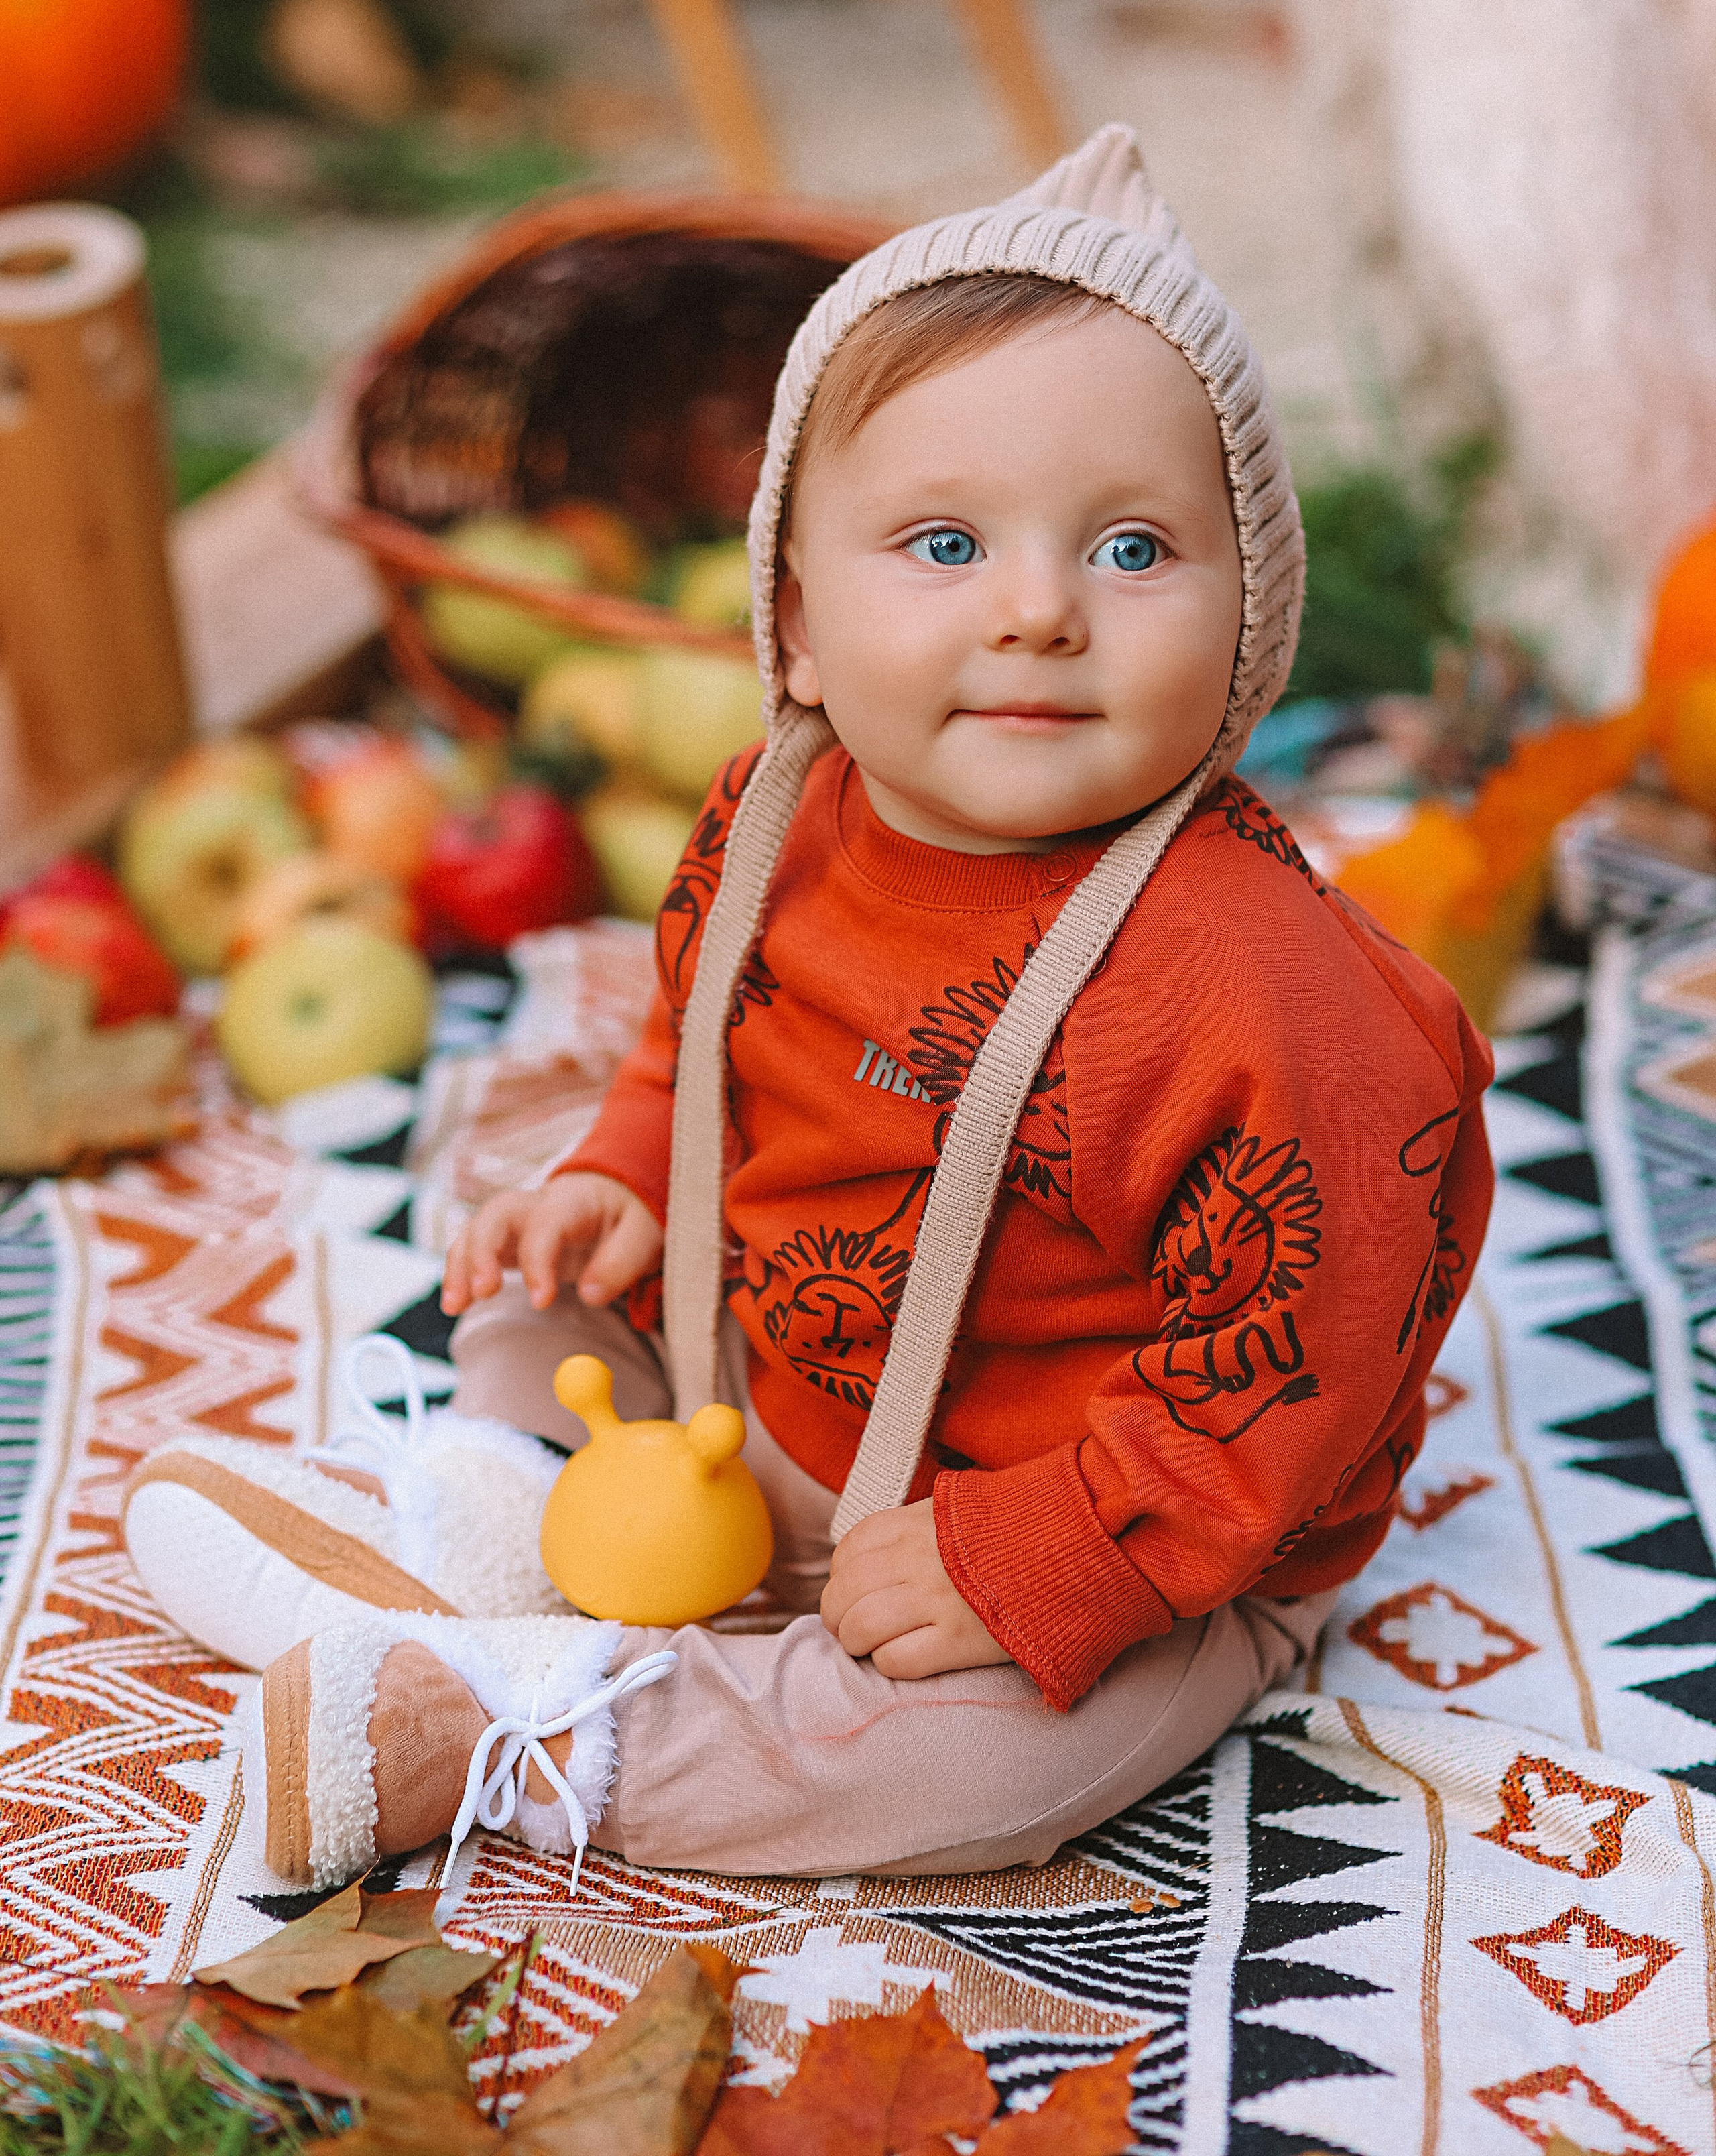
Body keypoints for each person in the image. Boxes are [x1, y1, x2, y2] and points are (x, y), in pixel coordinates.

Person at [123, 126, 1492, 1891]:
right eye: (942, 541)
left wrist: (1052, 1546)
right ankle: (484, 1503)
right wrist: (620, 1175)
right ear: (793, 619)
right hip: (761, 1383)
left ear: (1251, 626)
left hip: (1113, 1507)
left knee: (996, 1777)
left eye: (1137, 551)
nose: (1036, 611)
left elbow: (1295, 1362)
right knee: (536, 1293)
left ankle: (529, 1727)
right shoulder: (779, 814)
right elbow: (699, 1045)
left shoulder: (1274, 997)